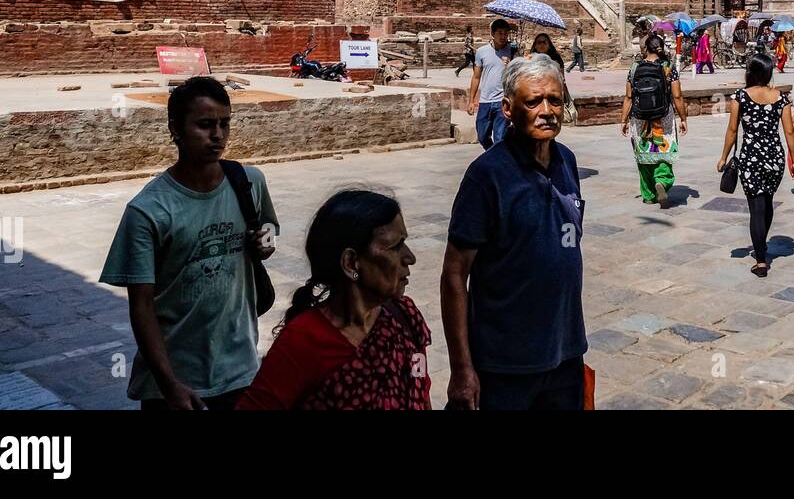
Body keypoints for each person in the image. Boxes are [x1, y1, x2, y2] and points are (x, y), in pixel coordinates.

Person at [100, 77, 278, 410]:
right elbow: (141, 307)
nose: (218, 135)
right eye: (205, 125)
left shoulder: (249, 181)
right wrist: (170, 384)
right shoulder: (148, 211)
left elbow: (267, 226)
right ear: (176, 129)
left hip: (239, 366)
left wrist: (264, 242)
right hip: (175, 379)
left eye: (225, 124)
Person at [441, 55, 587, 410]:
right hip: (505, 362)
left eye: (555, 99)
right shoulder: (487, 176)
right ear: (507, 109)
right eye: (533, 101)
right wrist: (462, 369)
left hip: (565, 351)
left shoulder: (565, 160)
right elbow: (454, 275)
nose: (547, 110)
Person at [236, 191, 429, 410]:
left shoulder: (405, 317)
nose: (410, 258)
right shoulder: (303, 341)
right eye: (395, 246)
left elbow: (420, 392)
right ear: (351, 262)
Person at [717, 53, 794, 276]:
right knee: (767, 202)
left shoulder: (740, 97)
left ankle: (761, 259)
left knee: (756, 207)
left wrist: (724, 157)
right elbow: (789, 131)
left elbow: (733, 130)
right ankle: (761, 243)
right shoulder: (781, 98)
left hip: (750, 158)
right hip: (774, 157)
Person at [622, 32, 689, 207]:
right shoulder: (668, 67)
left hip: (639, 119)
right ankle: (662, 181)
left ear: (645, 49)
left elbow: (628, 97)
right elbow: (677, 95)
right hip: (663, 118)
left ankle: (648, 194)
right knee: (664, 154)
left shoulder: (634, 68)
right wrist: (683, 118)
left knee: (644, 156)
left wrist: (623, 120)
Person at [468, 18, 515, 149]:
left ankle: (498, 162)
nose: (503, 36)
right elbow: (476, 77)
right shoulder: (482, 52)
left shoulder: (513, 51)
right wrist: (471, 101)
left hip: (503, 102)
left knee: (500, 137)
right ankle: (494, 156)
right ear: (492, 34)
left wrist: (511, 64)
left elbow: (520, 74)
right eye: (500, 33)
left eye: (506, 33)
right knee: (482, 136)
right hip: (485, 101)